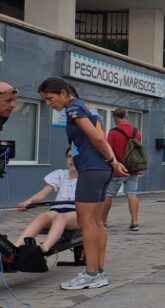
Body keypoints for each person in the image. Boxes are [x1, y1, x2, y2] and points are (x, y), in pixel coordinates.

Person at [38, 77, 128, 290]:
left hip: (91, 168)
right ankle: (99, 273)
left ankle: (90, 274)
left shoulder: (73, 108)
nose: (49, 104)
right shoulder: (87, 106)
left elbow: (96, 138)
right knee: (96, 222)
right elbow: (100, 137)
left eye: (50, 98)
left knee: (86, 222)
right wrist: (111, 161)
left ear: (62, 92)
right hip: (100, 169)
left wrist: (112, 160)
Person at [13, 148, 79, 263]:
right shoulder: (60, 174)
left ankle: (43, 249)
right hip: (58, 211)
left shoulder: (87, 177)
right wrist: (28, 202)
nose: (71, 159)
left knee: (61, 217)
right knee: (43, 215)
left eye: (74, 156)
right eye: (69, 156)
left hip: (78, 214)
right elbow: (41, 195)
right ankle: (15, 248)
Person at [104, 108, 143, 231]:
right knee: (132, 194)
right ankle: (135, 222)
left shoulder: (113, 132)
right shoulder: (137, 131)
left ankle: (103, 221)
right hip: (134, 168)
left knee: (108, 194)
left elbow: (108, 150)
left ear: (116, 118)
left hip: (118, 168)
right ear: (126, 117)